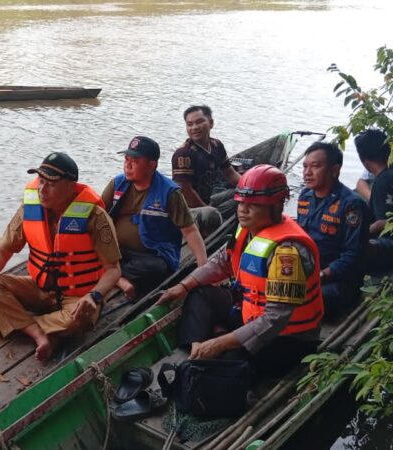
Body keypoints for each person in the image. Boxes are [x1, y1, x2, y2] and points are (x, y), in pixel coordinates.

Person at [158, 164, 323, 377]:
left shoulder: (287, 252)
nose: (243, 210)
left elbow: (275, 320)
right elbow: (221, 262)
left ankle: (215, 347)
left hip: (286, 336)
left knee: (228, 364)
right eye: (241, 203)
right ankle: (197, 347)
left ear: (275, 206)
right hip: (249, 311)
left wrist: (221, 343)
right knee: (199, 293)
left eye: (253, 205)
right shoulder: (247, 228)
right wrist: (183, 285)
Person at [0, 152, 121, 360]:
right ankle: (37, 332)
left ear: (70, 186)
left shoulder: (95, 216)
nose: (42, 189)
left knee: (77, 320)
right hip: (39, 288)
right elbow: (3, 250)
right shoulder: (30, 209)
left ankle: (17, 323)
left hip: (78, 296)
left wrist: (94, 296)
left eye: (51, 183)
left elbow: (113, 270)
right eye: (41, 181)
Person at [102, 136, 208, 299]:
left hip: (151, 256)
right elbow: (97, 215)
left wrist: (203, 268)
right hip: (118, 252)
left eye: (135, 161)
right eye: (126, 159)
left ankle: (113, 274)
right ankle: (119, 279)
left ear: (152, 165)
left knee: (156, 269)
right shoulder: (117, 184)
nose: (127, 165)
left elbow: (190, 231)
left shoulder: (169, 192)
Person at [297, 142, 371, 321]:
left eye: (315, 166)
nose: (308, 172)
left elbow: (354, 255)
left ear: (334, 170)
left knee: (300, 302)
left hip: (337, 281)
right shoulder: (305, 197)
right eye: (305, 166)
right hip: (307, 272)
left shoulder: (351, 205)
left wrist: (321, 275)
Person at [171, 105, 241, 237]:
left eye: (199, 122)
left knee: (241, 194)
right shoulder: (184, 154)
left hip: (207, 200)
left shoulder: (216, 145)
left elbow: (230, 173)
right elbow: (184, 192)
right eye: (189, 124)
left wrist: (249, 189)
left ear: (211, 123)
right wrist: (208, 210)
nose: (194, 127)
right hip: (188, 209)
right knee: (211, 214)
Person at [354, 129, 393, 272]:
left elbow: (384, 222)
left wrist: (356, 236)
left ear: (365, 161)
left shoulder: (382, 182)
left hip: (392, 247)